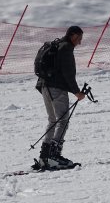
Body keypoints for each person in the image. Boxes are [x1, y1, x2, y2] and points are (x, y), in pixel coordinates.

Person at [34, 26, 85, 169]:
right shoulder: (66, 48)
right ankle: (53, 156)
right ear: (73, 35)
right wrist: (77, 92)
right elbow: (68, 73)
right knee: (63, 120)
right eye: (79, 38)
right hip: (56, 88)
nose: (79, 42)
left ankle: (44, 156)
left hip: (44, 86)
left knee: (52, 120)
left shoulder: (57, 45)